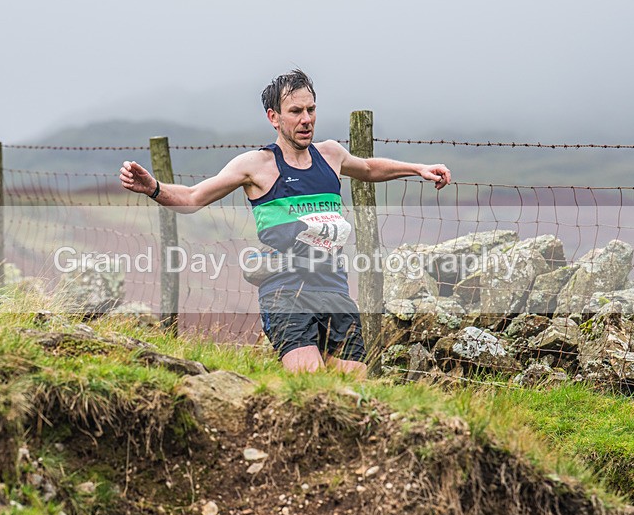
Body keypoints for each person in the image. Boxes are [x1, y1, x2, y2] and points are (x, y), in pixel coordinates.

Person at [119, 69, 451, 377]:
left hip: (334, 290)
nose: (306, 119)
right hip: (285, 292)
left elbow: (368, 168)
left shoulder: (331, 154)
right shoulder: (257, 165)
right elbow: (192, 197)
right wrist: (154, 188)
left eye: (311, 109)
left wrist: (418, 168)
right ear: (274, 117)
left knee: (354, 384)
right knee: (309, 382)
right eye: (295, 112)